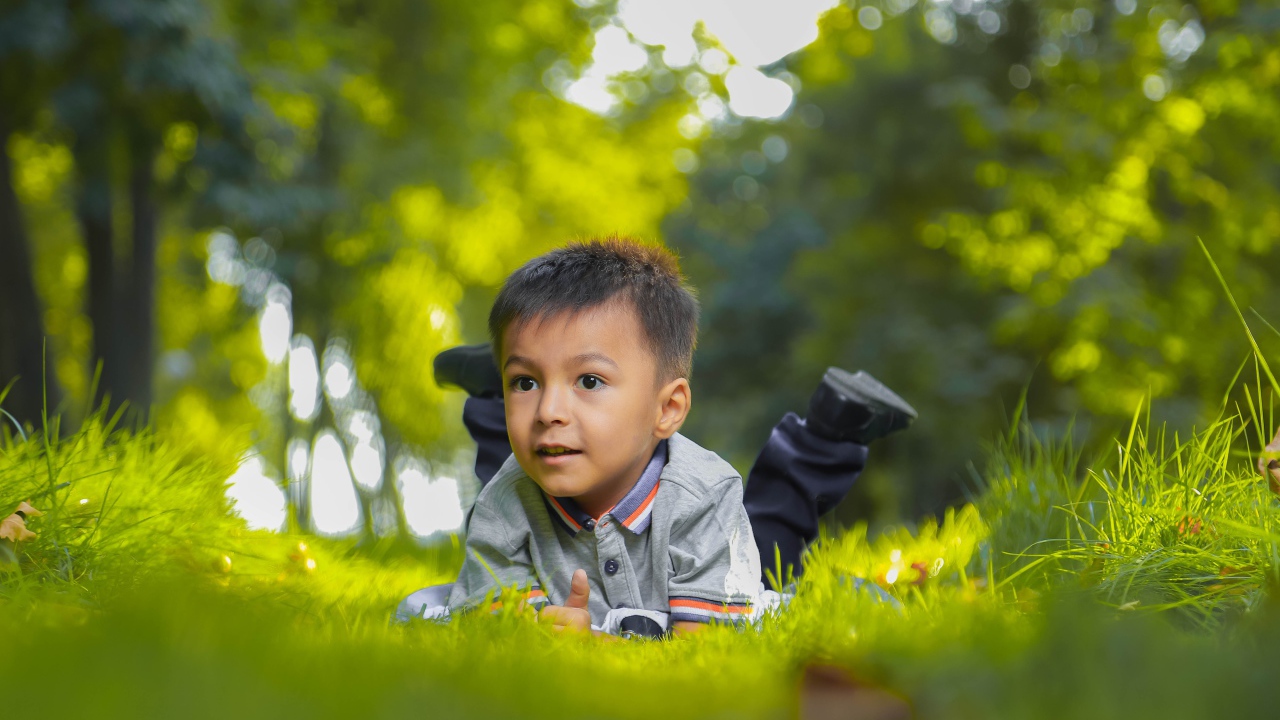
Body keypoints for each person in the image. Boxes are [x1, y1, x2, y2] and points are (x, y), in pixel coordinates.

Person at [409, 237, 916, 636]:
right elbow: (495, 612)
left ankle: (834, 426)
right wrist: (533, 622)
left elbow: (703, 646)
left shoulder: (702, 494)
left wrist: (593, 645)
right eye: (523, 380)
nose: (549, 408)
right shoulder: (507, 498)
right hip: (550, 483)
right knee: (532, 460)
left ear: (668, 408)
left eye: (589, 380)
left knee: (768, 546)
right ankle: (493, 388)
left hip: (712, 553)